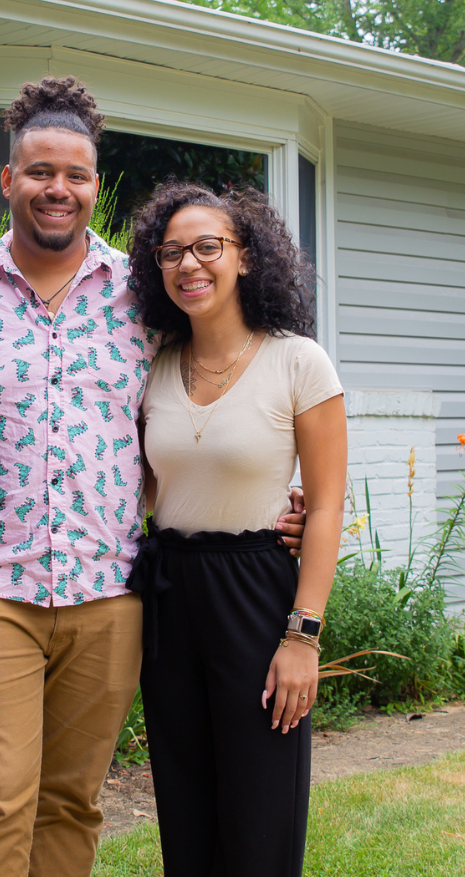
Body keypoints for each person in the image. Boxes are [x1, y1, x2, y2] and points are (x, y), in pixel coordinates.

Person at [0, 78, 307, 877]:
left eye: (74, 175)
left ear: (95, 187)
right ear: (9, 180)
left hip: (108, 590)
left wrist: (280, 495)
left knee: (73, 804)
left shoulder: (142, 301)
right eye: (39, 171)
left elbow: (214, 394)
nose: (57, 189)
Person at [126, 183, 347, 877]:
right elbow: (150, 489)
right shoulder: (155, 367)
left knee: (259, 815)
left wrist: (301, 637)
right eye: (172, 252)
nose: (189, 263)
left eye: (207, 247)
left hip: (256, 593)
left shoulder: (297, 362)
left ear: (245, 257)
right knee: (186, 813)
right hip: (170, 595)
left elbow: (328, 504)